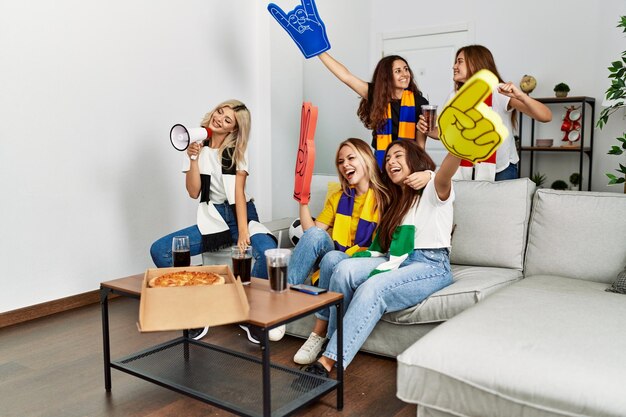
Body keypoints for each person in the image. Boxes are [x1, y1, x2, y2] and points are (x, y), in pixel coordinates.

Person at [300, 139, 461, 377]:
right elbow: (365, 178)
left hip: (430, 263)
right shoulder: (397, 198)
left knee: (372, 288)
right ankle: (330, 338)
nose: (391, 162)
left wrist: (430, 172)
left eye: (398, 156)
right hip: (396, 258)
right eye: (387, 159)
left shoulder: (433, 189)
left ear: (414, 160)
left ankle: (327, 360)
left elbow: (447, 170)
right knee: (343, 269)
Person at [150, 99, 278, 341]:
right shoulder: (195, 146)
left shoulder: (236, 152)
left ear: (233, 129)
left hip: (242, 214)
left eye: (228, 119)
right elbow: (193, 192)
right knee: (160, 251)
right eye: (220, 112)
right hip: (213, 217)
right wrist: (193, 160)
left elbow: (238, 193)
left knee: (266, 250)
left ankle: (250, 314)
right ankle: (197, 309)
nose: (220, 118)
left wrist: (243, 231)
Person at [287, 138, 390, 365]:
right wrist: (303, 203)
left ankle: (318, 334)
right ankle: (283, 302)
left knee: (333, 258)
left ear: (367, 159)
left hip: (360, 260)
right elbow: (313, 235)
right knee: (317, 239)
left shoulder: (385, 197)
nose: (345, 165)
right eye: (341, 161)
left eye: (351, 158)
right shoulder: (338, 197)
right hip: (334, 255)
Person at [418, 44, 552, 181]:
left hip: (500, 169)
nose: (454, 66)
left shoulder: (497, 91)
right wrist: (428, 130)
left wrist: (520, 95)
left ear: (475, 63)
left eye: (460, 61)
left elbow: (546, 116)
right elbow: (447, 134)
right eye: (455, 62)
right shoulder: (454, 96)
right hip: (465, 170)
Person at [317, 52, 430, 167]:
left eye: (406, 69)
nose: (405, 74)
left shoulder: (420, 102)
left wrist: (420, 167)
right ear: (386, 76)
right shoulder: (376, 95)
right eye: (398, 71)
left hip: (409, 162)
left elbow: (421, 144)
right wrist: (319, 51)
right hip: (381, 161)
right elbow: (346, 76)